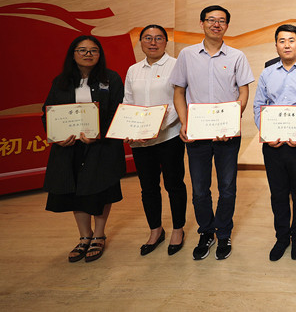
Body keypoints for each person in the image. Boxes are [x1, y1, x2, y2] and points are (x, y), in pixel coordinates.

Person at [170, 5, 254, 261]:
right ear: (202, 23)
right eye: (211, 20)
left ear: (227, 25)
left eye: (221, 21)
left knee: (227, 187)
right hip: (197, 134)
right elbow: (179, 92)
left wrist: (232, 121)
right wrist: (184, 122)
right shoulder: (186, 55)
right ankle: (206, 232)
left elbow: (243, 91)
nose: (216, 24)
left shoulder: (237, 56)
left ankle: (224, 232)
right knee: (199, 189)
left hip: (228, 135)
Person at [42, 35, 125, 263]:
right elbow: (48, 112)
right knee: (75, 189)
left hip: (101, 145)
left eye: (93, 50)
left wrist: (98, 136)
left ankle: (98, 235)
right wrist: (57, 137)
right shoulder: (61, 81)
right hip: (70, 146)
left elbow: (118, 111)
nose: (88, 54)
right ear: (73, 54)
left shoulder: (111, 79)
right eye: (82, 50)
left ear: (100, 55)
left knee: (101, 189)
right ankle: (84, 236)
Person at [254, 24, 296, 261]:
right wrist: (266, 133)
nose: (286, 45)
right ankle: (282, 237)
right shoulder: (267, 73)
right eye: (282, 41)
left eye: (291, 40)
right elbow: (258, 105)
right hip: (272, 144)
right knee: (278, 193)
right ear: (276, 46)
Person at [124, 25, 187, 257]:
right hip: (140, 141)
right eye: (148, 38)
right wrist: (130, 128)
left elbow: (179, 100)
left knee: (174, 184)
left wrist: (156, 127)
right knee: (148, 187)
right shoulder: (133, 70)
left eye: (159, 38)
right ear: (141, 42)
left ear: (166, 42)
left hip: (169, 136)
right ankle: (155, 230)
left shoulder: (176, 65)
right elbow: (128, 102)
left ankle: (178, 229)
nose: (153, 42)